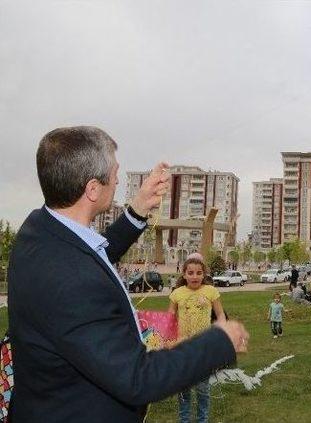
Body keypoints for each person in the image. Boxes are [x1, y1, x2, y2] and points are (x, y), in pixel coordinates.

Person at [7, 126, 249, 422]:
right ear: (93, 189)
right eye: (114, 172)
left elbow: (92, 258)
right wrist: (220, 341)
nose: (119, 178)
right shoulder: (70, 279)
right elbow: (138, 379)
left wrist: (137, 211)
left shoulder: (40, 231)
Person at [168, 257, 225, 423]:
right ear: (184, 274)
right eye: (190, 273)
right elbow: (169, 318)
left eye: (199, 273)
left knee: (202, 390)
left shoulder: (211, 291)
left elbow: (220, 314)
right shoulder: (176, 294)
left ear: (204, 275)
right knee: (184, 391)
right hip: (182, 348)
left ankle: (202, 420)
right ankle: (184, 420)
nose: (195, 276)